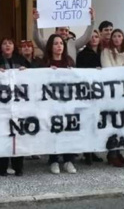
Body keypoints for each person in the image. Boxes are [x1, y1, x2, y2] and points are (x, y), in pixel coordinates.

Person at [0, 37, 27, 176]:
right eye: (4, 43)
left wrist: (26, 71)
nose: (7, 45)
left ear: (14, 46)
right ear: (1, 47)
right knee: (2, 135)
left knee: (18, 135)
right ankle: (2, 167)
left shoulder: (21, 60)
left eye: (10, 43)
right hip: (1, 105)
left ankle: (18, 166)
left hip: (18, 104)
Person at [42, 34, 77, 174]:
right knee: (54, 132)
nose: (59, 46)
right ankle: (54, 160)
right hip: (51, 105)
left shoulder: (69, 61)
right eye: (56, 43)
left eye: (61, 43)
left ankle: (68, 160)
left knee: (68, 132)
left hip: (67, 104)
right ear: (51, 46)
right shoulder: (44, 62)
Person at [100, 29, 124, 167]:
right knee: (114, 125)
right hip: (112, 94)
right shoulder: (106, 52)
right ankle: (112, 154)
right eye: (114, 36)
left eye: (120, 36)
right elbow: (108, 70)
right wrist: (123, 65)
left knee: (122, 125)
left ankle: (118, 152)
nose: (117, 38)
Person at [76, 30, 104, 165]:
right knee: (87, 123)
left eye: (96, 36)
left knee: (96, 123)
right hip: (87, 93)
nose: (94, 39)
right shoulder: (82, 55)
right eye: (91, 37)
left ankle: (93, 150)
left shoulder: (103, 53)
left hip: (101, 93)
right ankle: (87, 153)